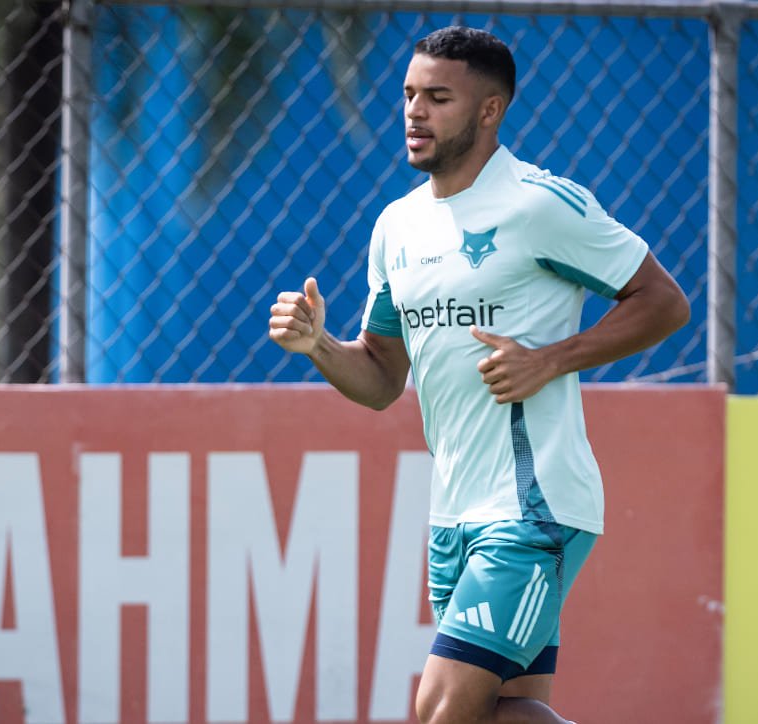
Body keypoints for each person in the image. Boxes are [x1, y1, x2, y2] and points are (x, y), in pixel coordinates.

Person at [267, 26, 690, 724]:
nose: (413, 112)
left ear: (489, 111)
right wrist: (319, 346)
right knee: (504, 713)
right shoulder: (396, 228)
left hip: (534, 508)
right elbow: (378, 377)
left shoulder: (541, 204)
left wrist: (549, 359)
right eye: (408, 94)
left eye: (437, 97)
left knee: (441, 710)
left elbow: (664, 301)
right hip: (453, 514)